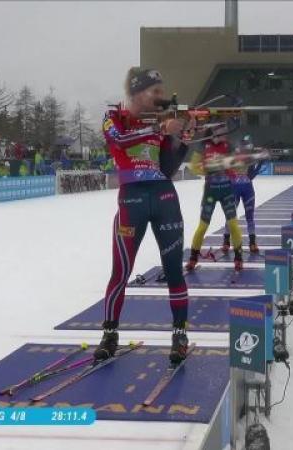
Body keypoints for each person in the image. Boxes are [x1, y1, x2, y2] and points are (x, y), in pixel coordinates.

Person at [94, 67, 192, 364]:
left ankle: (179, 334)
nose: (161, 98)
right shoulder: (114, 118)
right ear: (137, 92)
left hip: (163, 196)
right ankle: (110, 334)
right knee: (120, 271)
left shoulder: (158, 123)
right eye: (155, 91)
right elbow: (120, 141)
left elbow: (168, 167)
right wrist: (160, 129)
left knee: (174, 269)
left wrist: (184, 139)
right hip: (132, 199)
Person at [186, 125, 244, 271]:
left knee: (233, 225)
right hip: (210, 192)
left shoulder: (228, 146)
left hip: (227, 191)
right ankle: (193, 258)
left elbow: (238, 165)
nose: (225, 136)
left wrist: (230, 167)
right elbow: (193, 167)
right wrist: (209, 168)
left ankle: (238, 258)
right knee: (203, 227)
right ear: (214, 134)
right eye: (222, 133)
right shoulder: (203, 146)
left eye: (226, 133)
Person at [222, 135, 264, 254]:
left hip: (247, 190)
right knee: (230, 216)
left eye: (247, 146)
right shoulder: (233, 157)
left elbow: (251, 176)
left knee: (249, 216)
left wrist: (260, 162)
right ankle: (226, 241)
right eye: (244, 145)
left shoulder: (250, 159)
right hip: (234, 190)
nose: (246, 148)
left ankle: (252, 242)